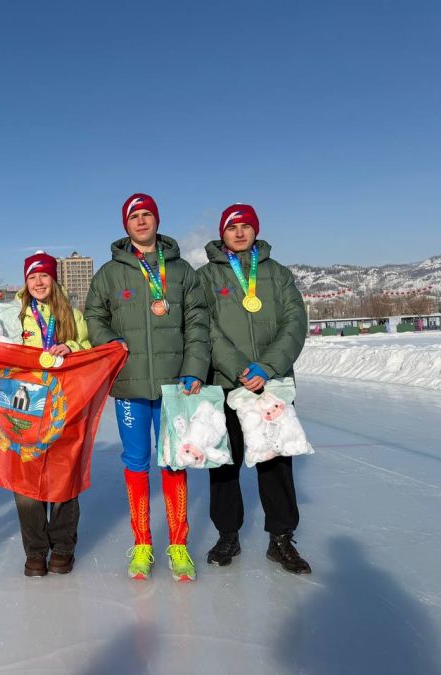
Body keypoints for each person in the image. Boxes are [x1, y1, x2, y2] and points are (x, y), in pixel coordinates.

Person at [85, 193, 210, 582]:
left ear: (157, 220)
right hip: (129, 385)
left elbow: (198, 322)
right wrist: (110, 342)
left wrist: (194, 369)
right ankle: (142, 543)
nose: (141, 221)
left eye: (147, 215)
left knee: (174, 460)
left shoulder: (183, 271)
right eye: (134, 216)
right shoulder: (110, 272)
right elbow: (94, 314)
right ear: (126, 225)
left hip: (175, 386)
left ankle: (178, 545)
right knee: (136, 463)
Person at [197, 203, 311, 574]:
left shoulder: (277, 274)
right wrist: (238, 367)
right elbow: (204, 328)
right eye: (233, 227)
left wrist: (268, 366)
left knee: (275, 461)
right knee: (225, 462)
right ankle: (227, 534)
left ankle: (281, 539)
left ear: (256, 230)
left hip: (271, 384)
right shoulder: (206, 277)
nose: (240, 232)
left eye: (246, 225)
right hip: (227, 382)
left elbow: (295, 322)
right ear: (222, 233)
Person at [0, 251, 92, 577]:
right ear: (25, 281)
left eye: (44, 275)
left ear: (54, 279)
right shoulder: (13, 313)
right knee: (26, 477)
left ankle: (63, 546)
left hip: (64, 401)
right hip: (22, 402)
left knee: (65, 472)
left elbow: (89, 350)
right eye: (32, 276)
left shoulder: (73, 313)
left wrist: (73, 348)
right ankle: (36, 549)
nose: (38, 282)